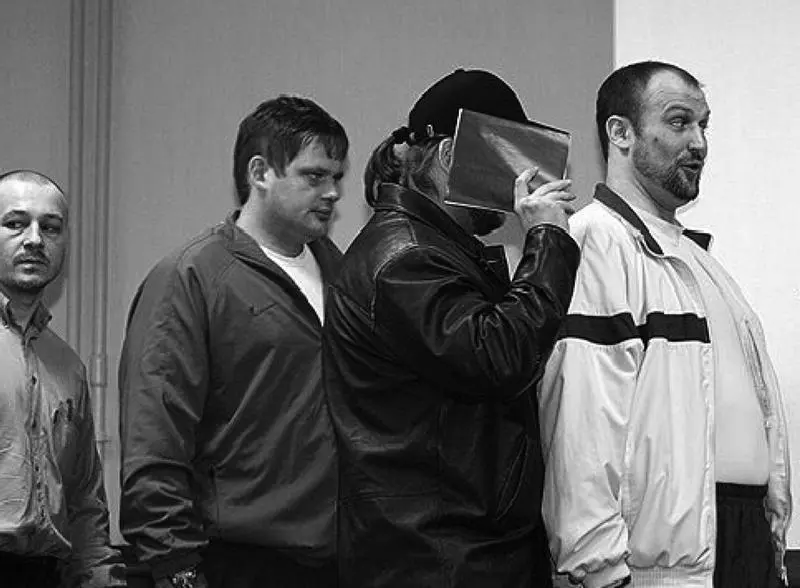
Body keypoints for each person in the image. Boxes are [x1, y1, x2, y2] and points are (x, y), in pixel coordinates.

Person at [538, 60, 792, 588]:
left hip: (742, 546)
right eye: (679, 122)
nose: (699, 142)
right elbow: (582, 431)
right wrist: (601, 570)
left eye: (704, 125)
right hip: (657, 570)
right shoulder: (594, 242)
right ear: (620, 133)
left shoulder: (699, 261)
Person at [323, 69, 581, 587]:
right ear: (448, 157)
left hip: (455, 553)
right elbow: (501, 358)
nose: (519, 179)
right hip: (436, 560)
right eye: (506, 157)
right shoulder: (406, 259)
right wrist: (547, 239)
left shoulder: (429, 250)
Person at [118, 96, 348, 588]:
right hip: (234, 560)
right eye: (314, 176)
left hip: (334, 559)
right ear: (259, 172)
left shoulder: (341, 272)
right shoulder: (191, 276)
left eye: (336, 177)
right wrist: (175, 568)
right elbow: (155, 435)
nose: (332, 193)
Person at [0, 170, 125, 587]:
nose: (35, 239)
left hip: (45, 573)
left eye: (50, 227)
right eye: (15, 223)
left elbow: (84, 501)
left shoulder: (67, 366)